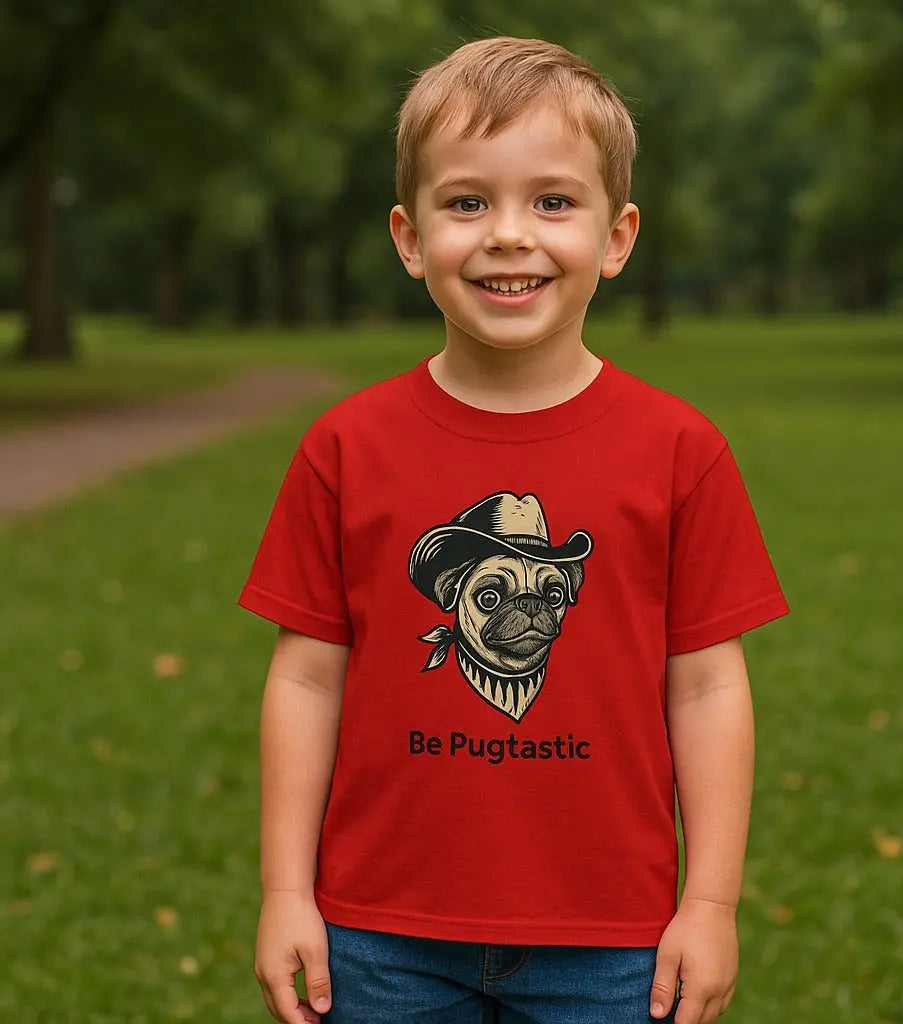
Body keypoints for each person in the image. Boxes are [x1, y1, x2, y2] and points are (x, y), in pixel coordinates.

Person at [239, 35, 789, 1024]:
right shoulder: (344, 448)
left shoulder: (679, 452)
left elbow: (708, 684)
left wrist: (708, 902)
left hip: (611, 938)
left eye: (551, 200)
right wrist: (286, 890)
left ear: (617, 236)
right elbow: (306, 675)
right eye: (466, 202)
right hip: (376, 930)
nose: (506, 235)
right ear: (408, 238)